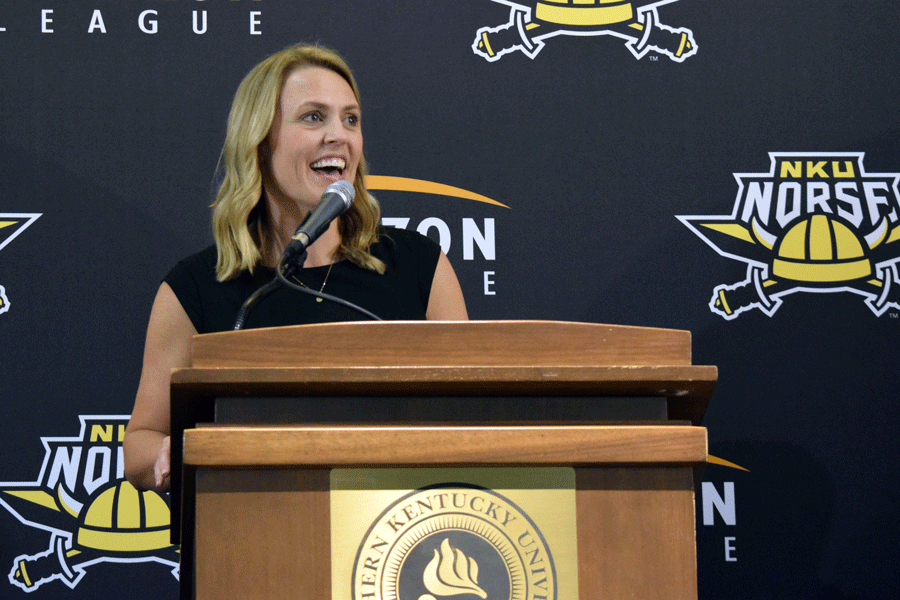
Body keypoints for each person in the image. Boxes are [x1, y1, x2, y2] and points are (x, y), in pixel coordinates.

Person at [123, 44, 468, 493]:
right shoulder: (195, 288)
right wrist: (172, 452)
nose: (339, 136)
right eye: (313, 117)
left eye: (351, 119)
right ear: (260, 140)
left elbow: (471, 416)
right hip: (252, 537)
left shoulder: (421, 269)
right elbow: (141, 443)